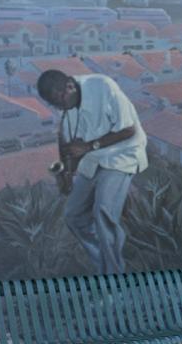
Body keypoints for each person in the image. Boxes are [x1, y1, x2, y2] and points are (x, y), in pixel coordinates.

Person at [37, 69, 148, 274]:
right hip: (93, 159)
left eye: (59, 101)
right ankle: (105, 261)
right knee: (73, 216)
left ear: (69, 85)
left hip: (122, 155)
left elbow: (129, 130)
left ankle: (114, 275)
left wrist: (89, 146)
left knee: (103, 211)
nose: (59, 107)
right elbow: (67, 141)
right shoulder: (67, 106)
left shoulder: (103, 86)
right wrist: (65, 174)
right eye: (55, 105)